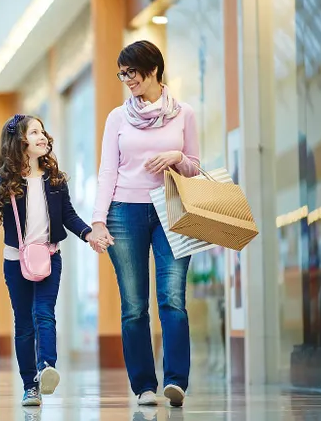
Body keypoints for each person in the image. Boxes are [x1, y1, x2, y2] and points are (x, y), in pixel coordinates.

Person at [0, 114, 103, 407]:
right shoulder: (6, 182)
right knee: (23, 323)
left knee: (44, 312)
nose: (43, 136)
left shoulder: (55, 180)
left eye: (43, 131)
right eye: (34, 132)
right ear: (20, 142)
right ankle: (30, 386)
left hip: (50, 256)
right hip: (15, 262)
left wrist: (88, 234)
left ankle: (46, 367)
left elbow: (68, 215)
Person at [89, 40, 200, 408]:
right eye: (121, 74)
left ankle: (175, 381)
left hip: (172, 209)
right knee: (134, 304)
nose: (127, 80)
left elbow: (195, 167)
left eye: (131, 72)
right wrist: (98, 220)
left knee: (172, 299)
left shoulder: (184, 113)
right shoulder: (118, 118)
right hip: (125, 212)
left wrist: (178, 156)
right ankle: (143, 386)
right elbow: (107, 171)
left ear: (153, 69)